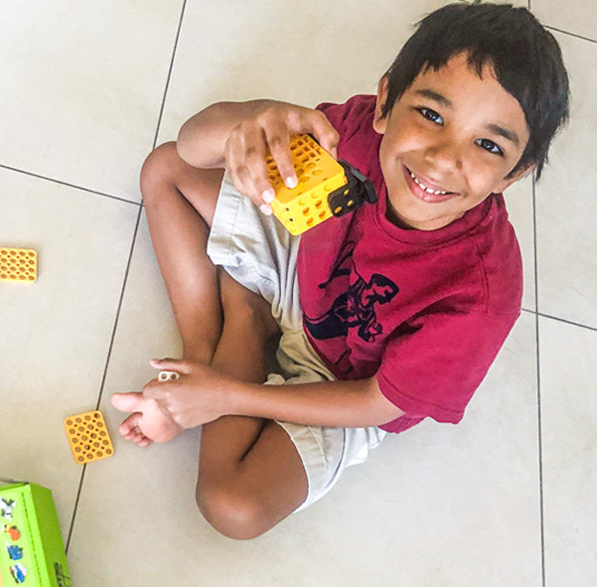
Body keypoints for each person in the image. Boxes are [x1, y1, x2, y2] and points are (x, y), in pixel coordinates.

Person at [111, 2, 569, 540]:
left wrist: (230, 397)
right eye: (431, 115)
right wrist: (255, 119)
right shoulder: (349, 133)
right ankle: (205, 347)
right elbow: (190, 146)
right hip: (303, 270)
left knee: (232, 505)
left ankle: (237, 326)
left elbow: (378, 402)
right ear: (383, 104)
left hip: (345, 381)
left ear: (512, 176)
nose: (444, 159)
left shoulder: (482, 294)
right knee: (166, 167)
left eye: (488, 145)